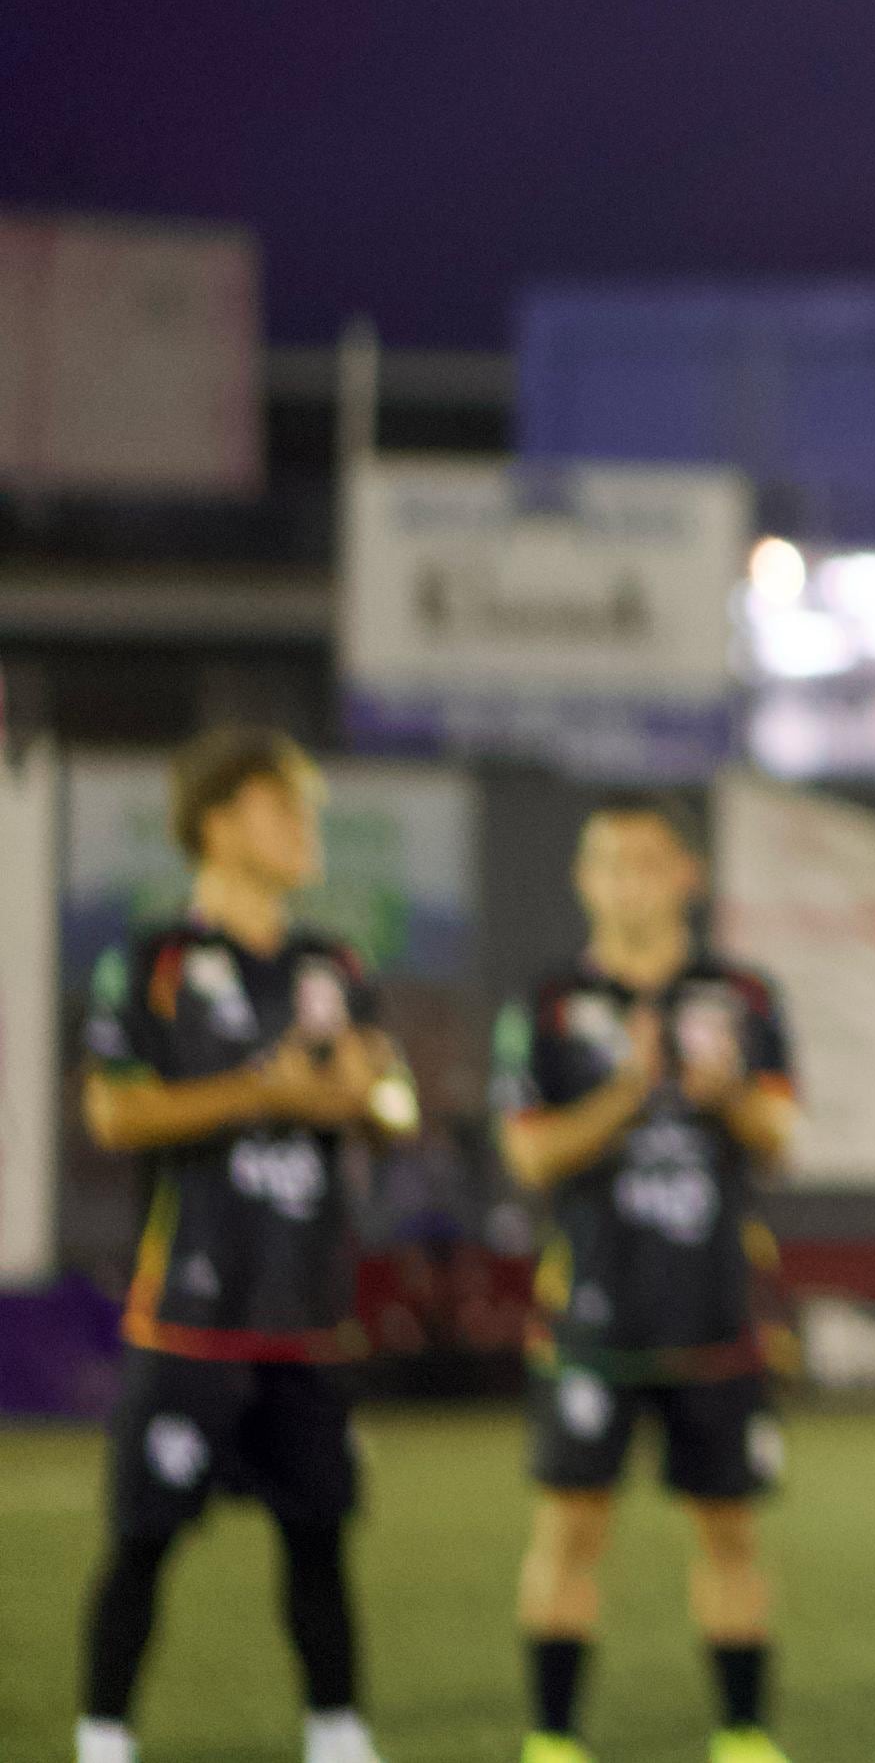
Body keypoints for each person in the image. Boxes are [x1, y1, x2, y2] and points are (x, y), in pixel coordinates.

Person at [74, 728, 420, 1763]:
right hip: (191, 1307)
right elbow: (114, 1115)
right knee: (145, 1536)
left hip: (308, 1307)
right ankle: (103, 1735)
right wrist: (259, 1091)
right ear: (219, 823)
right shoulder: (153, 960)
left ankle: (338, 1732)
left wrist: (371, 1092)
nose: (305, 829)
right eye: (284, 809)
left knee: (319, 1537)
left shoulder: (335, 962)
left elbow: (394, 1104)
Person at [495, 797, 802, 1763]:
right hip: (592, 1309)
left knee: (732, 1533)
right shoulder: (547, 1005)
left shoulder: (743, 996)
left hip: (714, 1309)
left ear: (687, 875)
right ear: (586, 881)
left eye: (647, 859)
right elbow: (531, 1158)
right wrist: (631, 1087)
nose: (628, 878)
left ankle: (743, 1735)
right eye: (608, 862)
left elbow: (780, 1141)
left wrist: (726, 1097)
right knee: (572, 1527)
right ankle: (553, 1738)